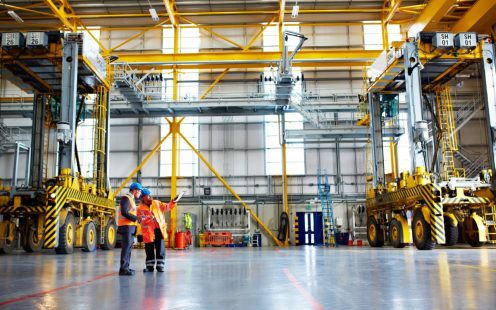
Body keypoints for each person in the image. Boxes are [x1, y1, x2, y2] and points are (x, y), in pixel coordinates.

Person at [137, 188, 178, 272]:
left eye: (149, 195)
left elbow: (166, 208)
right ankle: (149, 267)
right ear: (142, 198)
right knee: (149, 249)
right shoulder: (140, 208)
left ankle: (160, 266)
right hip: (148, 231)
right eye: (147, 196)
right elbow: (139, 220)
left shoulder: (156, 203)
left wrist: (173, 202)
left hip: (159, 229)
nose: (149, 197)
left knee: (160, 248)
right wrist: (149, 218)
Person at [117, 182, 142, 276]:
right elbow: (124, 212)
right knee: (126, 248)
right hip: (126, 226)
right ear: (134, 190)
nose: (140, 193)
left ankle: (126, 267)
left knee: (129, 248)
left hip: (130, 227)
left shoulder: (131, 199)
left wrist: (137, 219)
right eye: (139, 191)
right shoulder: (126, 198)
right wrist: (136, 218)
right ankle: (123, 269)